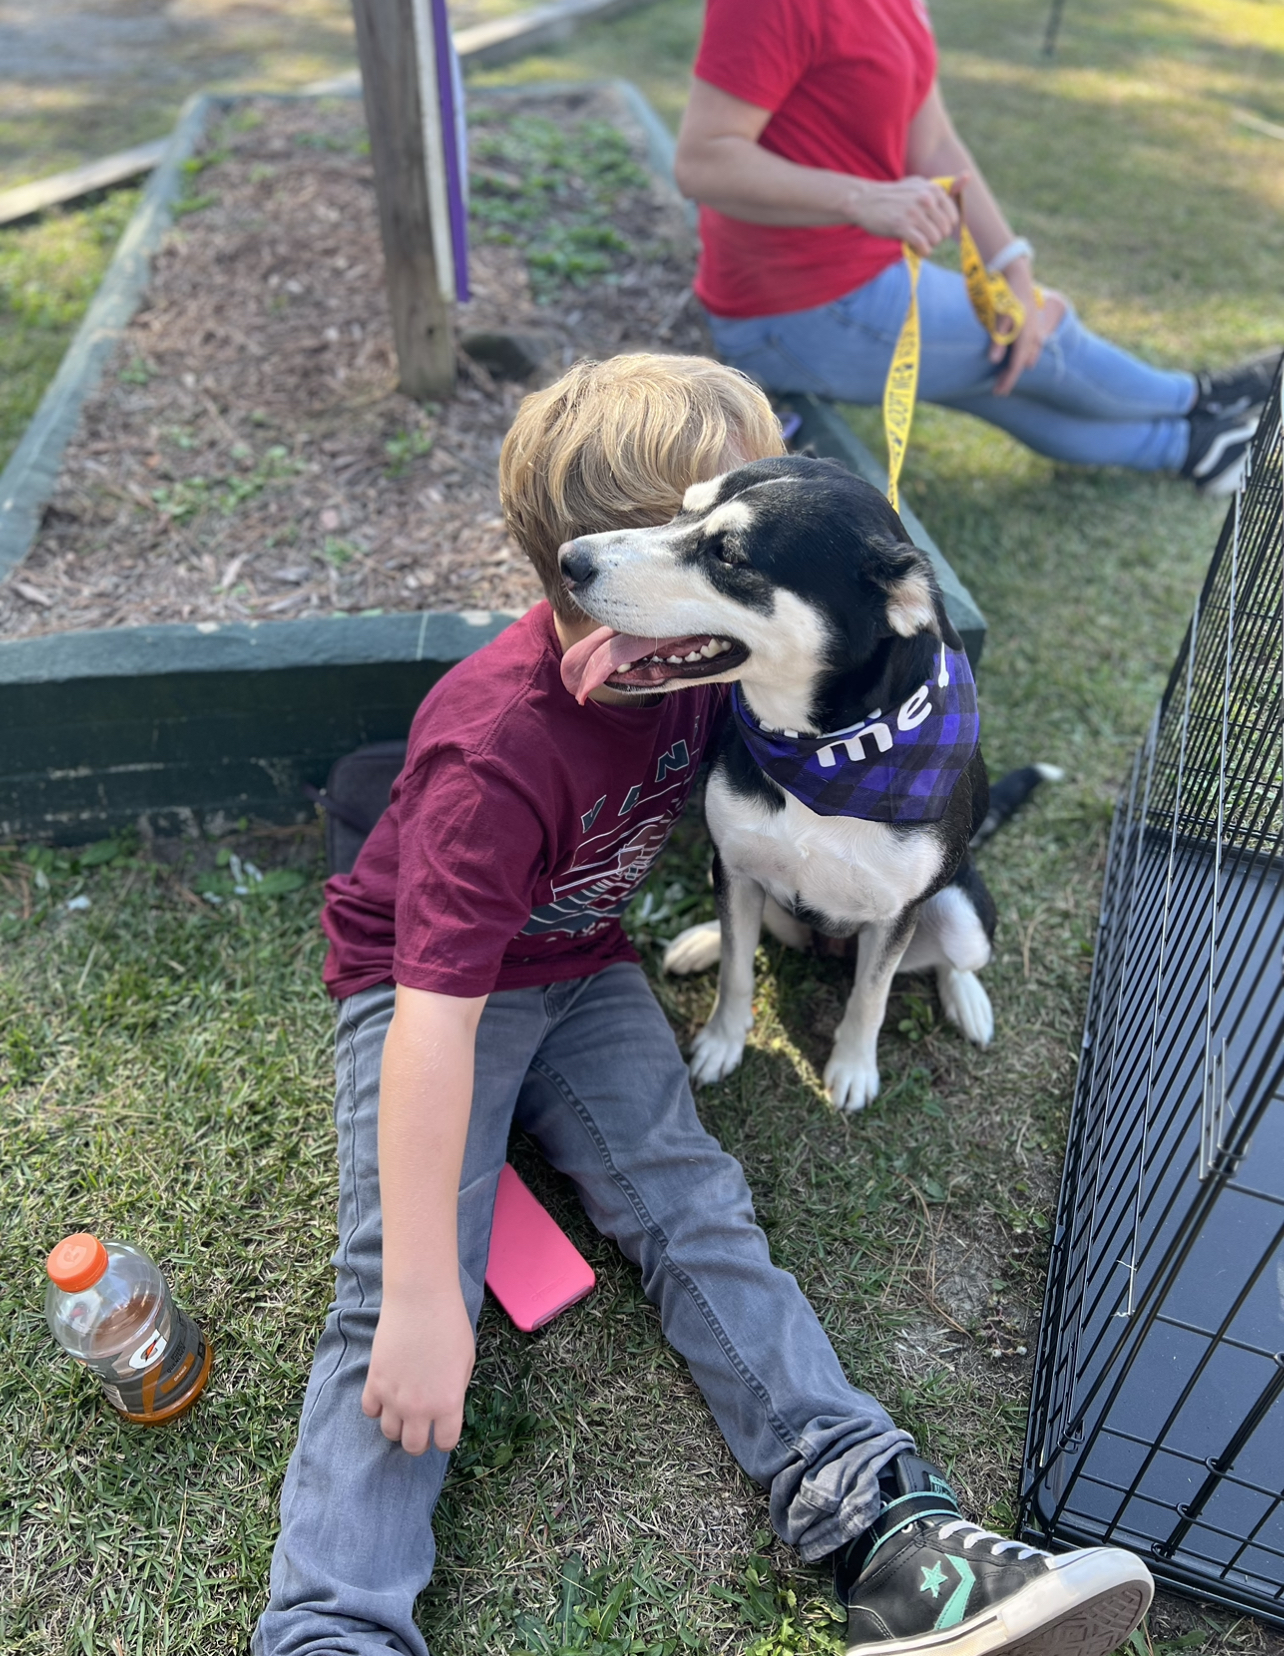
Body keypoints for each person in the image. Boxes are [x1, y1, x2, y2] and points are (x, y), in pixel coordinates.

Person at [252, 352, 1154, 1656]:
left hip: (584, 973)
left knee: (696, 1204)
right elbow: (432, 1027)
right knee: (399, 1279)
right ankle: (331, 1626)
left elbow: (853, 684)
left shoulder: (702, 674)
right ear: (614, 580)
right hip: (428, 996)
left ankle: (888, 1538)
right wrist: (421, 1313)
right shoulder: (496, 755)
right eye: (691, 533)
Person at [673, 0, 1279, 497]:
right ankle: (1200, 398)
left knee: (1013, 363)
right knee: (1048, 332)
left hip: (852, 283)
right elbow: (702, 162)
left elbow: (932, 142)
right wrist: (861, 199)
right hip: (793, 312)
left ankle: (1196, 448)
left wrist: (1011, 262)